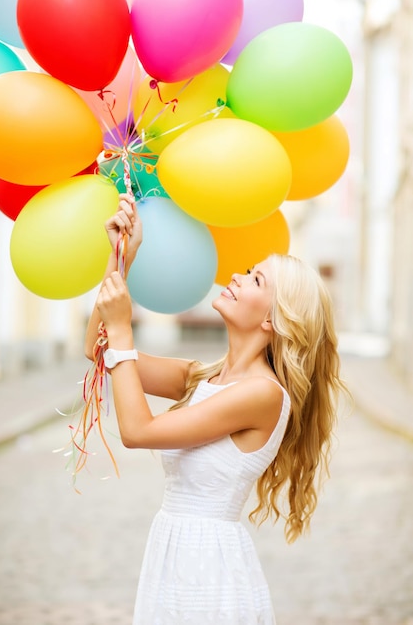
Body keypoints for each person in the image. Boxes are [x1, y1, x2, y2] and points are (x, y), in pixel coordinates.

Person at [85, 193, 348, 625]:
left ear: (272, 321)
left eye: (257, 281)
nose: (238, 278)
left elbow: (137, 432)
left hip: (207, 567)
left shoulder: (263, 395)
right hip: (173, 552)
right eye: (248, 272)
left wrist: (120, 325)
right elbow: (97, 351)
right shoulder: (201, 377)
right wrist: (120, 262)